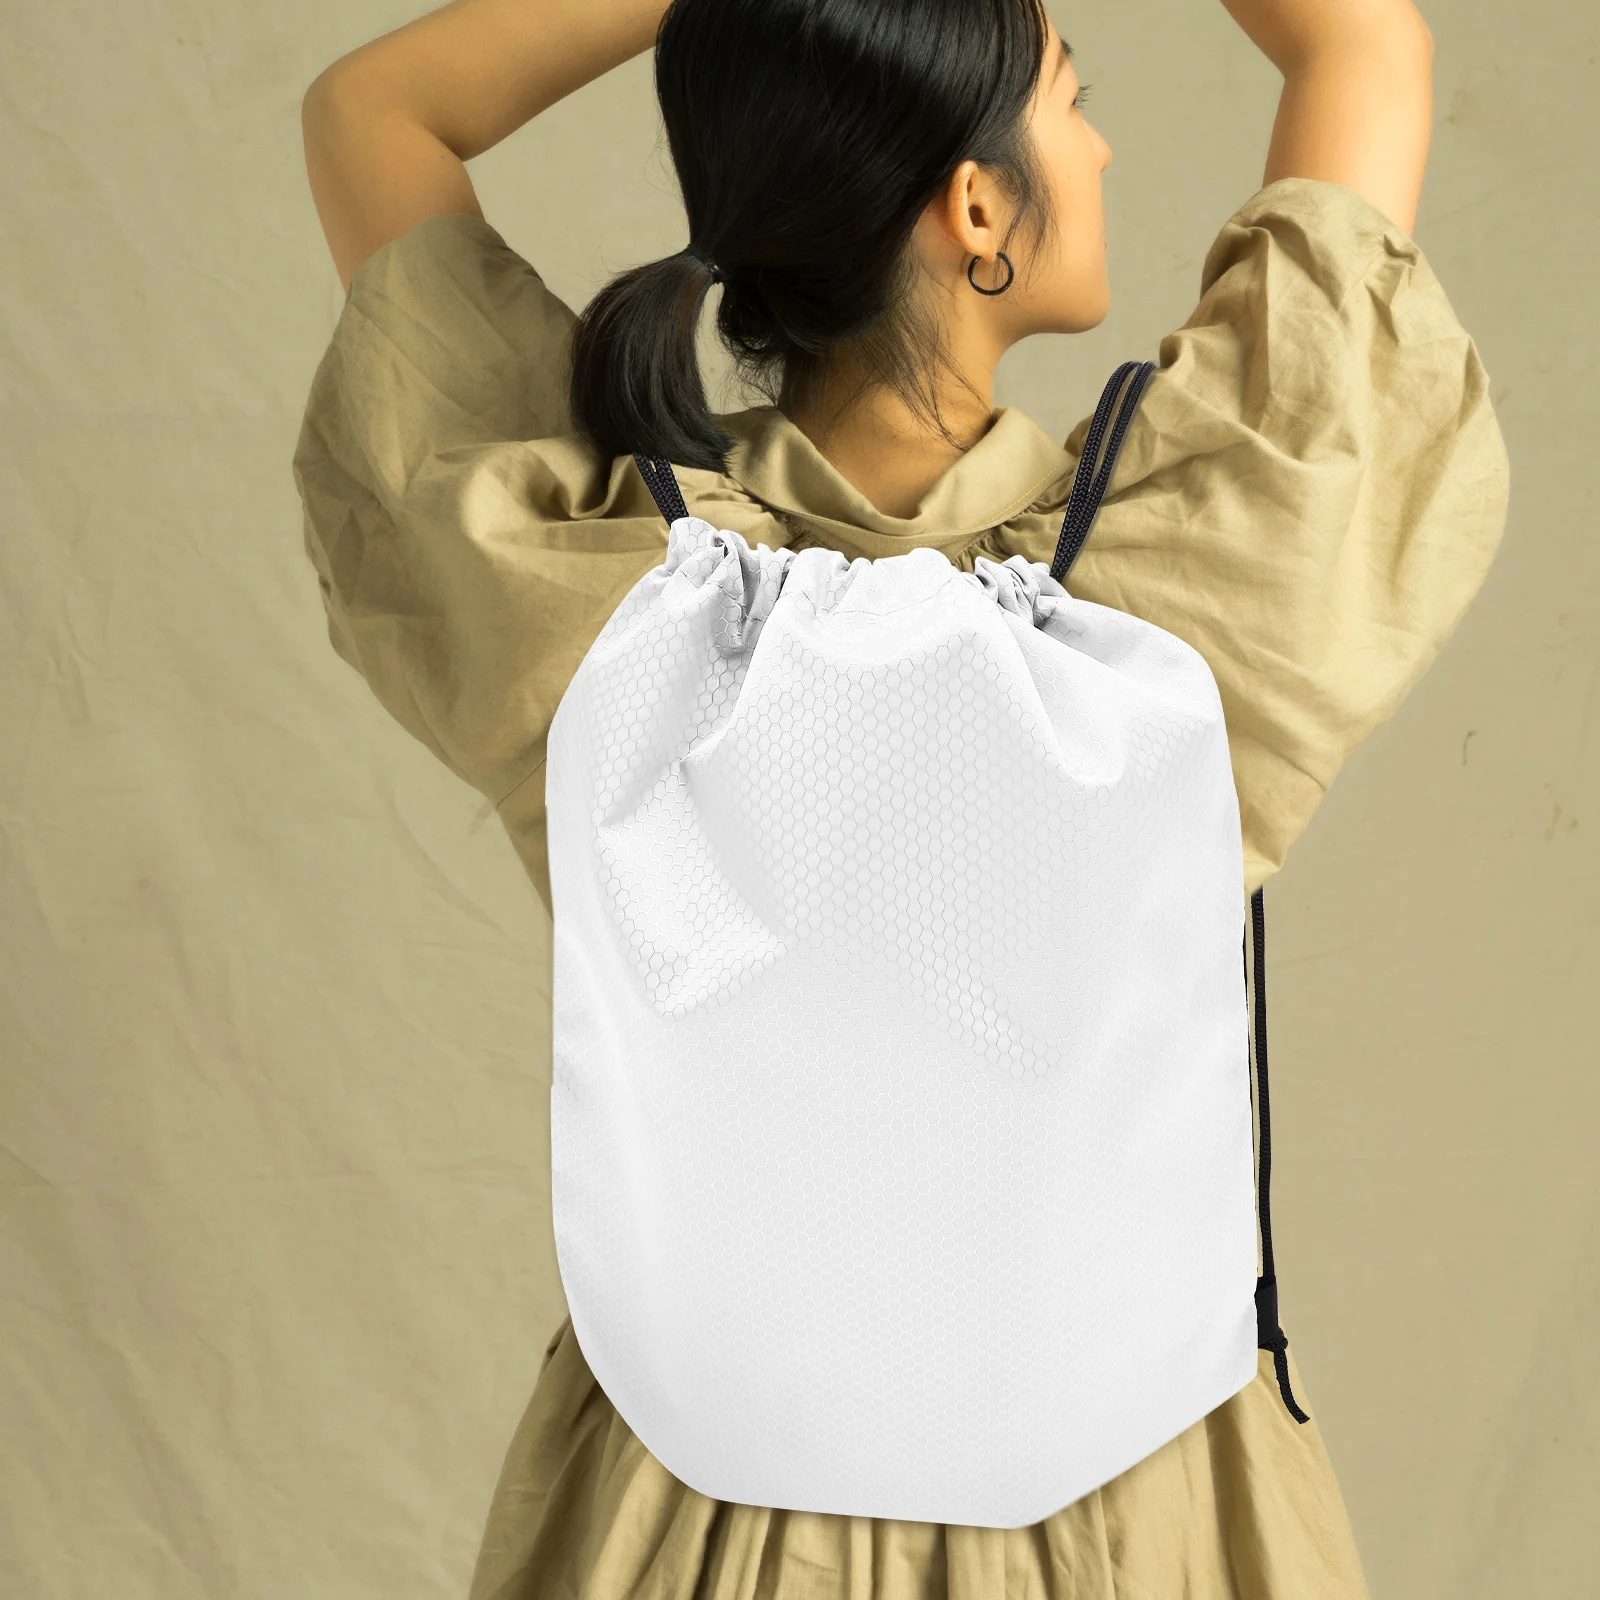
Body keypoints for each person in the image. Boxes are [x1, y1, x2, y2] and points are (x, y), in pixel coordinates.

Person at [292, 0, 1508, 1593]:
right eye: (1073, 102)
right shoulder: (1194, 593)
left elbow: (371, 115)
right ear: (978, 207)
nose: (1103, 147)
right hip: (1133, 1519)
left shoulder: (581, 589)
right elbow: (1363, 47)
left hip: (683, 1523)